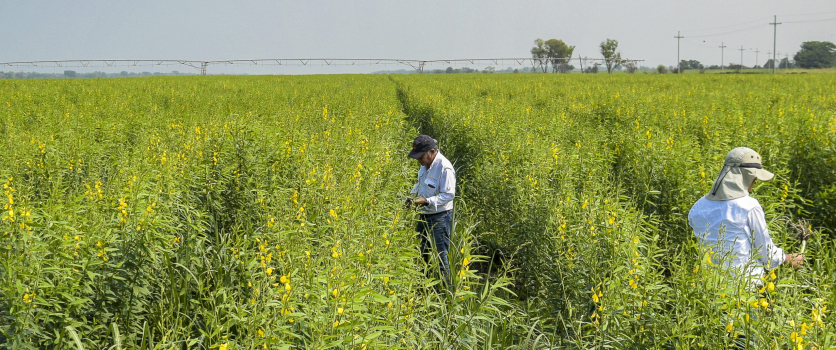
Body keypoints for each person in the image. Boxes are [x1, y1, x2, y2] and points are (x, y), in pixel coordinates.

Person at [688, 147, 803, 289]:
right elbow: (765, 251)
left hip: (709, 285)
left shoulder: (698, 207)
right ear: (745, 177)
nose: (754, 183)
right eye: (754, 178)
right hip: (745, 288)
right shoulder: (748, 207)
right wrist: (786, 259)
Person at [407, 135, 456, 281]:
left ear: (432, 152)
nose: (419, 160)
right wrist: (412, 196)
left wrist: (426, 201)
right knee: (422, 252)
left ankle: (446, 293)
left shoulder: (444, 167)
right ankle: (424, 286)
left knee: (441, 257)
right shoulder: (424, 165)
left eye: (421, 156)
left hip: (440, 217)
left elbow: (449, 195)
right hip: (424, 214)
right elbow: (421, 184)